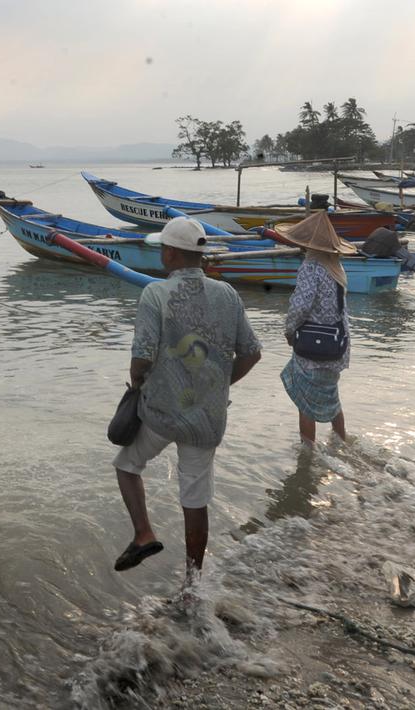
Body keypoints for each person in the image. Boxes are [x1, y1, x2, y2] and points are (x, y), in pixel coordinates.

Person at [111, 217, 262, 574]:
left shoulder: (155, 294)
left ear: (170, 254)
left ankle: (144, 533)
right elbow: (252, 353)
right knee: (195, 500)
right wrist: (218, 388)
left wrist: (135, 383)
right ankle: (192, 583)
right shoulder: (227, 294)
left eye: (162, 247)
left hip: (162, 413)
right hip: (206, 419)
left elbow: (142, 357)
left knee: (127, 465)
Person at [279, 212, 355, 445]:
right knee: (331, 395)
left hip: (314, 345)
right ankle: (341, 441)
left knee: (305, 401)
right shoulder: (336, 268)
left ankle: (308, 451)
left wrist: (289, 331)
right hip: (338, 342)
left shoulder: (311, 267)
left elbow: (300, 306)